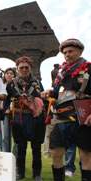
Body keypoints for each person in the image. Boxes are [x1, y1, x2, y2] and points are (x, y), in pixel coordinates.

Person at [41, 38, 91, 181]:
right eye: (64, 53)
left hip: (83, 118)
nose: (67, 55)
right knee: (56, 153)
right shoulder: (61, 73)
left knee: (86, 155)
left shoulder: (89, 68)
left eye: (70, 51)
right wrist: (49, 93)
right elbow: (56, 93)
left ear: (80, 51)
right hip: (61, 118)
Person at [6, 56, 45, 181]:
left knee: (36, 147)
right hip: (19, 118)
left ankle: (37, 174)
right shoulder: (11, 84)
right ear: (17, 69)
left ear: (30, 68)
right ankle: (20, 173)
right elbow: (7, 100)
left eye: (26, 67)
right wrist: (5, 110)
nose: (24, 69)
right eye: (21, 67)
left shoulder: (38, 83)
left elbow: (43, 99)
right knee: (20, 147)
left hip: (36, 118)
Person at [0, 68, 17, 152]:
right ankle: (5, 155)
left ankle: (15, 157)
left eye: (11, 73)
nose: (9, 75)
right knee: (5, 136)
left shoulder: (16, 85)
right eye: (7, 73)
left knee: (16, 137)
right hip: (4, 113)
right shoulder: (1, 85)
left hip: (15, 112)